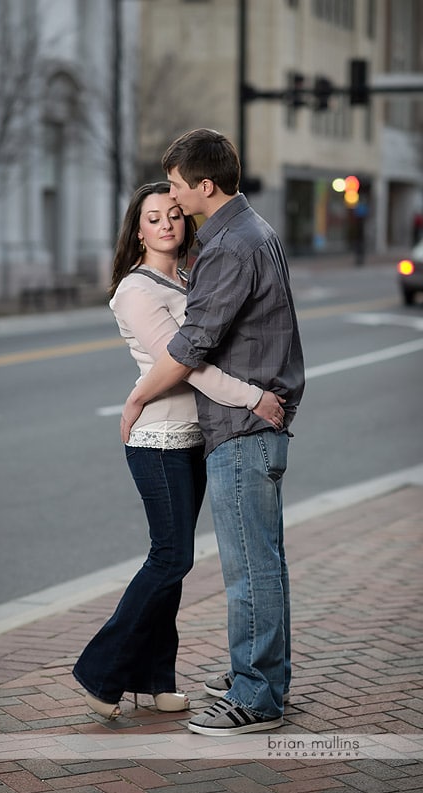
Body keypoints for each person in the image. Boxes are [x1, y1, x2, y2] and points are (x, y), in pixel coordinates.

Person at [72, 181, 284, 720]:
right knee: (172, 557)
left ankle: (155, 677)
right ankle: (101, 672)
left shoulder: (188, 279)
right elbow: (186, 361)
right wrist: (252, 397)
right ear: (136, 230)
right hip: (159, 440)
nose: (166, 224)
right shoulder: (135, 291)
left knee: (173, 564)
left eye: (173, 214)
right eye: (153, 218)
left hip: (195, 438)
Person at [120, 130, 305, 736]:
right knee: (265, 560)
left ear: (204, 186)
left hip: (243, 426)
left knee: (250, 567)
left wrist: (141, 393)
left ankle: (256, 696)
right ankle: (260, 673)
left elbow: (193, 344)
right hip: (256, 421)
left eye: (175, 186)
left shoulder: (228, 247)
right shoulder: (254, 231)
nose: (172, 199)